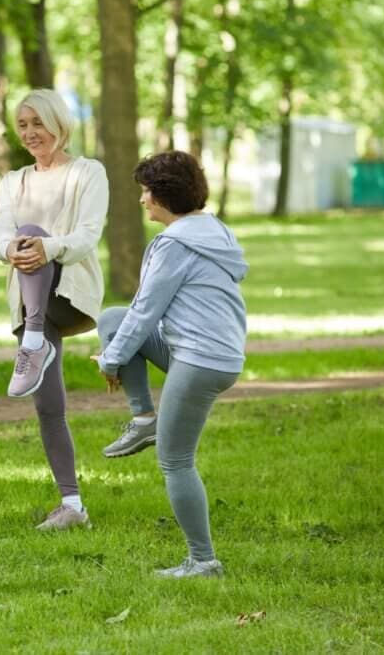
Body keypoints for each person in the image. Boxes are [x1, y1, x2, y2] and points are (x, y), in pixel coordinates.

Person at [93, 150, 248, 578]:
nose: (142, 200)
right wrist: (115, 349)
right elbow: (135, 317)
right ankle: (144, 418)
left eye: (146, 192)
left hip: (201, 360)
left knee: (176, 460)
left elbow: (147, 311)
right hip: (214, 353)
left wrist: (111, 361)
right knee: (112, 318)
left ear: (162, 196)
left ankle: (203, 561)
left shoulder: (174, 243)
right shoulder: (213, 230)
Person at [0, 89, 108, 530]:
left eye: (37, 123)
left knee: (33, 231)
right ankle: (73, 505)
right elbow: (2, 235)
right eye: (22, 125)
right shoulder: (13, 181)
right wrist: (13, 250)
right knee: (48, 404)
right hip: (29, 297)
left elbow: (87, 235)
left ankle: (35, 340)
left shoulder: (87, 172)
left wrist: (45, 246)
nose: (29, 133)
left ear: (59, 124)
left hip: (70, 291)